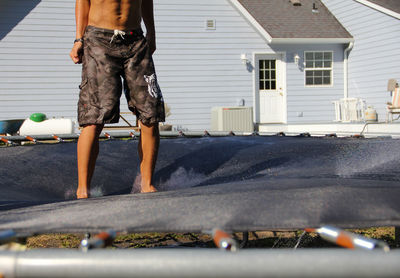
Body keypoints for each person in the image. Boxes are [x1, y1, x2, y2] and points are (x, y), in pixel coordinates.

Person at [69, 0, 165, 199]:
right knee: (94, 117)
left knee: (150, 113)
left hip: (135, 40)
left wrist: (152, 32)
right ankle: (83, 190)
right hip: (98, 40)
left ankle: (146, 184)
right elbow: (82, 2)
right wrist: (78, 38)